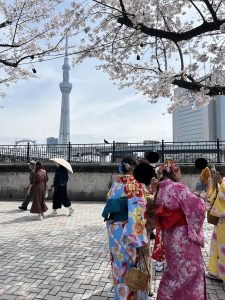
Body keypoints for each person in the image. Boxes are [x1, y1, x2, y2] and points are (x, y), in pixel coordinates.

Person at [154, 158, 207, 300]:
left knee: (174, 272)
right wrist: (202, 199)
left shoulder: (160, 188)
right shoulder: (178, 187)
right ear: (174, 171)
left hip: (169, 236)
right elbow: (198, 208)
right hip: (183, 237)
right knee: (192, 270)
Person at [102, 156, 152, 300]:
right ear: (132, 169)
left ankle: (120, 296)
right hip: (128, 231)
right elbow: (138, 212)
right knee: (130, 268)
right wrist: (139, 239)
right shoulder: (135, 184)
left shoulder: (116, 183)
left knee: (118, 268)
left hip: (114, 230)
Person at [206, 170, 225, 282]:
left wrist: (220, 184)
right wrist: (216, 184)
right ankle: (216, 272)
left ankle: (218, 273)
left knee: (220, 248)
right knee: (218, 247)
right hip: (221, 223)